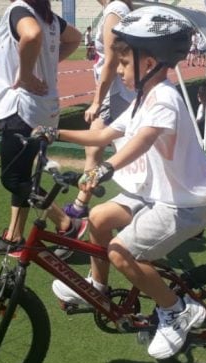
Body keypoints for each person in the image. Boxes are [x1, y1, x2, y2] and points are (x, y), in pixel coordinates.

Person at [33, 6, 206, 359]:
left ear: (149, 62)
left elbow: (143, 141)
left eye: (124, 64)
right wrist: (54, 132)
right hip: (153, 196)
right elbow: (106, 133)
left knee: (120, 252)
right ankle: (97, 286)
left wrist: (103, 169)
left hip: (182, 205)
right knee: (97, 218)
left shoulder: (165, 100)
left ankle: (177, 311)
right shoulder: (142, 99)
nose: (118, 70)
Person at [0, 0, 85, 258]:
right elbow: (75, 38)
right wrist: (44, 64)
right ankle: (14, 236)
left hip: (21, 109)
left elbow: (31, 34)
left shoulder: (20, 11)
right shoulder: (48, 17)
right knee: (23, 176)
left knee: (13, 179)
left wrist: (26, 73)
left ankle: (66, 224)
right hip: (43, 109)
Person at [62, 0, 135, 219]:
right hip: (117, 94)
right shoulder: (116, 10)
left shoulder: (115, 11)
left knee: (131, 151)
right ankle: (79, 205)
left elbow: (111, 62)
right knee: (94, 149)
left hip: (116, 95)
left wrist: (96, 101)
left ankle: (176, 203)